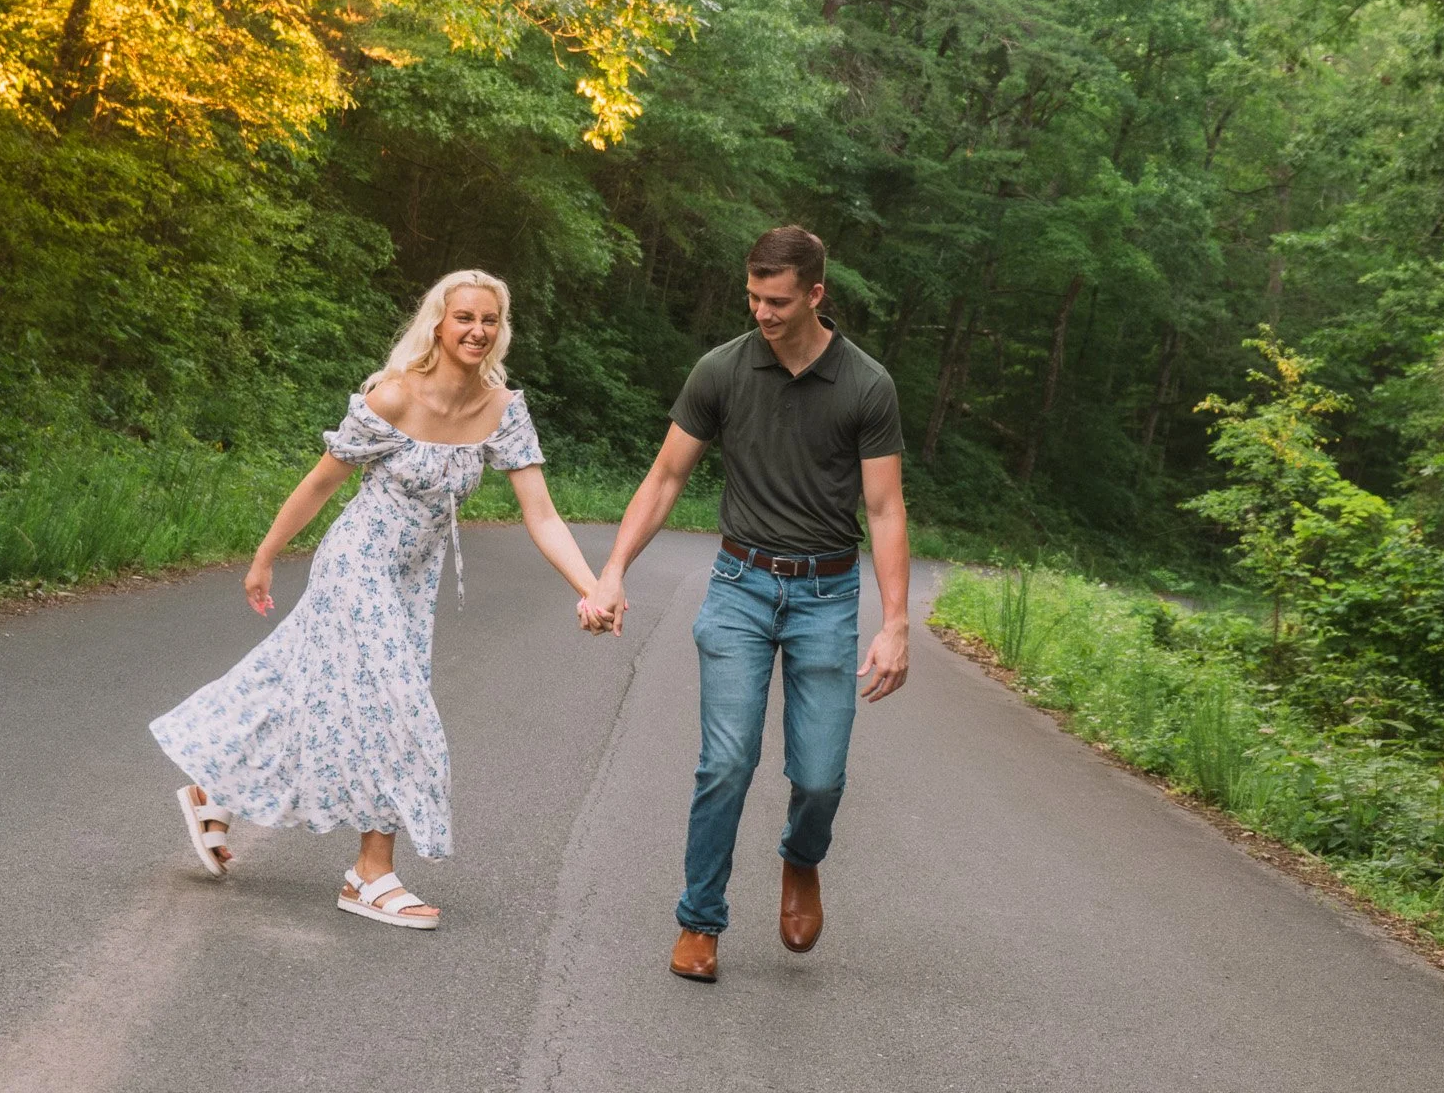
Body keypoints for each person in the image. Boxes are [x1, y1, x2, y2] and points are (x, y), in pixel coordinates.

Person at [149, 270, 611, 928]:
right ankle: (370, 873)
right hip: (357, 560)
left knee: (306, 688)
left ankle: (211, 788)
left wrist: (592, 588)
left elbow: (541, 514)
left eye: (489, 319)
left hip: (412, 579)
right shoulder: (394, 397)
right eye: (464, 318)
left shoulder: (503, 409)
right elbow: (320, 484)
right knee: (398, 707)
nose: (477, 330)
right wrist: (264, 555)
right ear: (439, 324)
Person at [585, 226, 910, 982]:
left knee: (821, 774)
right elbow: (665, 477)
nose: (762, 312)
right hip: (739, 585)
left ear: (816, 295)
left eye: (779, 300)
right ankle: (700, 919)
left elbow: (886, 508)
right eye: (754, 297)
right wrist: (613, 569)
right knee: (726, 761)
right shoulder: (722, 369)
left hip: (828, 592)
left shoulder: (866, 385)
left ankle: (801, 858)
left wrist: (895, 623)